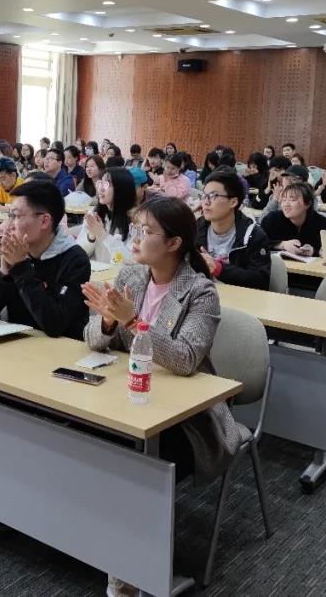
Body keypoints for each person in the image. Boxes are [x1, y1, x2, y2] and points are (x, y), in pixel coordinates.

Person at [82, 195, 238, 499]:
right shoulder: (131, 276)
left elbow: (185, 359)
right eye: (135, 229)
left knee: (125, 458)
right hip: (126, 396)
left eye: (145, 231)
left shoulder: (200, 292)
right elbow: (91, 339)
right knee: (79, 432)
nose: (135, 238)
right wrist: (108, 323)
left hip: (185, 417)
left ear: (173, 243)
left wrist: (131, 321)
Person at [0, 180, 90, 338]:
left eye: (16, 216)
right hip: (17, 345)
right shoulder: (17, 252)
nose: (9, 226)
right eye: (10, 216)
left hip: (61, 349)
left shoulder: (75, 260)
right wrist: (2, 273)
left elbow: (55, 324)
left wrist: (21, 267)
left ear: (44, 221)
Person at [196, 170, 270, 289]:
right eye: (204, 196)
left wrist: (220, 269)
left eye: (213, 196)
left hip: (238, 298)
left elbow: (261, 281)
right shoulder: (195, 229)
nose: (205, 202)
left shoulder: (253, 235)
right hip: (200, 295)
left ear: (233, 202)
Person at [76, 167, 135, 264]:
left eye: (107, 184)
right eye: (100, 183)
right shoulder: (94, 214)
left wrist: (103, 235)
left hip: (120, 273)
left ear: (122, 189)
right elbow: (79, 253)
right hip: (96, 271)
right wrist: (91, 236)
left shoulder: (136, 219)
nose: (101, 189)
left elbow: (132, 259)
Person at [262, 181, 326, 257]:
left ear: (308, 204)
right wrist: (282, 244)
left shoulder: (324, 224)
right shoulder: (272, 220)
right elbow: (259, 243)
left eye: (292, 200)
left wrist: (314, 252)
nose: (286, 204)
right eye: (284, 200)